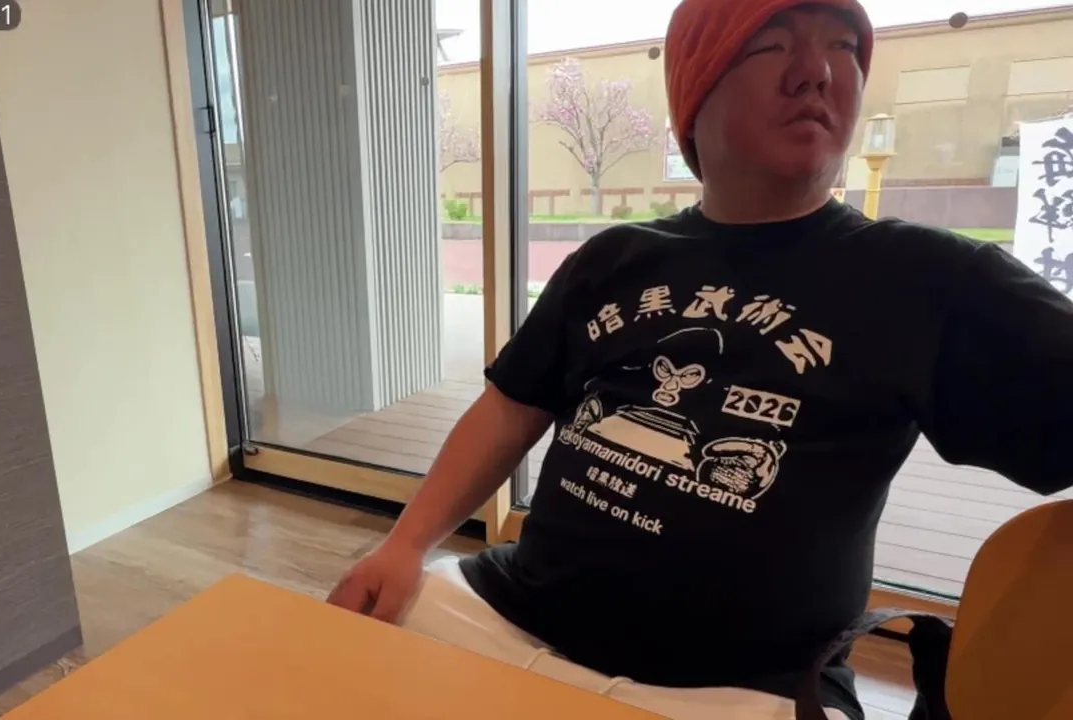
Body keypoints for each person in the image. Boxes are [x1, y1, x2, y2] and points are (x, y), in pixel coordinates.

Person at [328, 0, 1073, 718]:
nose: (815, 72)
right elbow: (510, 406)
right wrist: (404, 545)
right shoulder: (614, 258)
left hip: (750, 691)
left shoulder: (929, 279)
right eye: (771, 45)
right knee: (322, 669)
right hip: (506, 618)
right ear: (693, 97)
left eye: (843, 46)